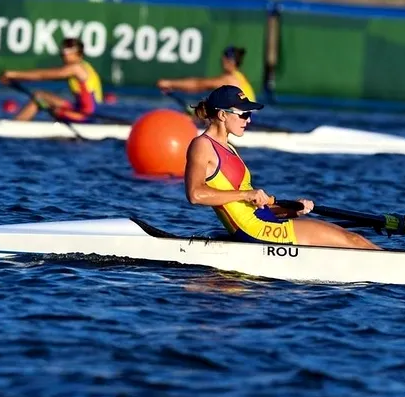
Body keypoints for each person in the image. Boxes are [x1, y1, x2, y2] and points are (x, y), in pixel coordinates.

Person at [184, 85, 380, 250]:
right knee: (352, 242)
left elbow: (250, 206)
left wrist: (291, 210)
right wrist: (245, 194)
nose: (249, 120)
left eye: (249, 114)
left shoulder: (230, 149)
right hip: (256, 231)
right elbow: (195, 194)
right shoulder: (202, 145)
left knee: (352, 238)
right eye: (244, 114)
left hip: (265, 222)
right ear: (222, 115)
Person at [0, 38, 103, 122]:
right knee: (40, 95)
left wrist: (12, 74)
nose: (62, 55)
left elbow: (42, 76)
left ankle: (16, 127)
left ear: (77, 53)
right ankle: (18, 125)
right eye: (61, 51)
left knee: (42, 101)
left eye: (66, 51)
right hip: (80, 110)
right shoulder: (84, 66)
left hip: (85, 116)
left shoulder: (76, 68)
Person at [157, 46, 257, 102]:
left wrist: (169, 83)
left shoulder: (229, 79)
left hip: (246, 119)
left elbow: (198, 85)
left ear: (228, 61)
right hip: (250, 116)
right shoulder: (240, 76)